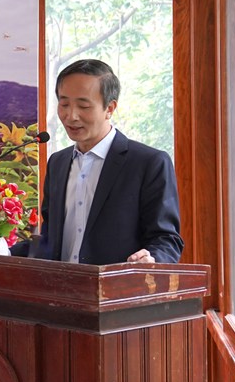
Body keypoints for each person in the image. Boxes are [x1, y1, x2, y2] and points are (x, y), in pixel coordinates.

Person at [31, 58, 183, 264]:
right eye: (64, 104)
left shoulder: (149, 163)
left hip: (119, 284)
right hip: (62, 284)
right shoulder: (58, 163)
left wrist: (151, 259)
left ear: (110, 108)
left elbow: (167, 240)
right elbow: (50, 239)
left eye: (83, 106)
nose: (71, 116)